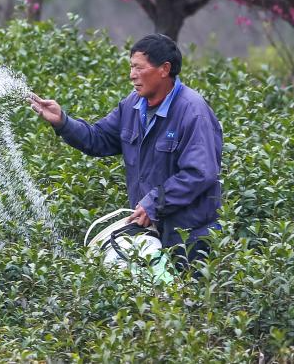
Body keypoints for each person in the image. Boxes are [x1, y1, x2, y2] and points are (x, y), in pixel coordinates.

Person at [30, 34, 223, 268]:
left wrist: (154, 203)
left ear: (164, 69)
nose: (132, 75)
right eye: (131, 67)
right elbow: (97, 139)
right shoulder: (131, 106)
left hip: (189, 238)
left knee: (188, 301)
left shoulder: (193, 111)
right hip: (149, 233)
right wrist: (62, 122)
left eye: (138, 68)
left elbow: (200, 173)